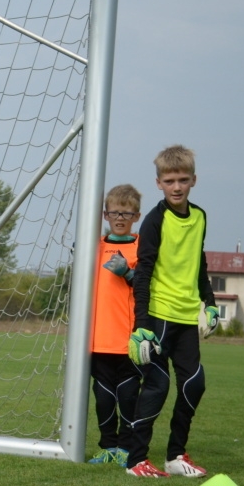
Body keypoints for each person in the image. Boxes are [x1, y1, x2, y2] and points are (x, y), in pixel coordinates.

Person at [123, 145, 220, 478]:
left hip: (187, 317)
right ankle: (136, 460)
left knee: (194, 384)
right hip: (158, 317)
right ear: (158, 183)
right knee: (157, 386)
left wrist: (210, 302)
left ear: (194, 180)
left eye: (182, 180)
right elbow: (143, 272)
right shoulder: (154, 220)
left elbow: (199, 263)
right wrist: (141, 325)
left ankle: (176, 456)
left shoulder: (200, 217)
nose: (176, 187)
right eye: (169, 181)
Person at [87, 184, 143, 466]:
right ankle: (108, 446)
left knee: (129, 396)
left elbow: (148, 286)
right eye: (115, 212)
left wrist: (129, 273)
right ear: (105, 215)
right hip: (98, 340)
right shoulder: (93, 246)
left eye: (127, 213)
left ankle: (126, 448)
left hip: (129, 340)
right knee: (103, 398)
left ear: (136, 216)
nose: (120, 218)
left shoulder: (143, 247)